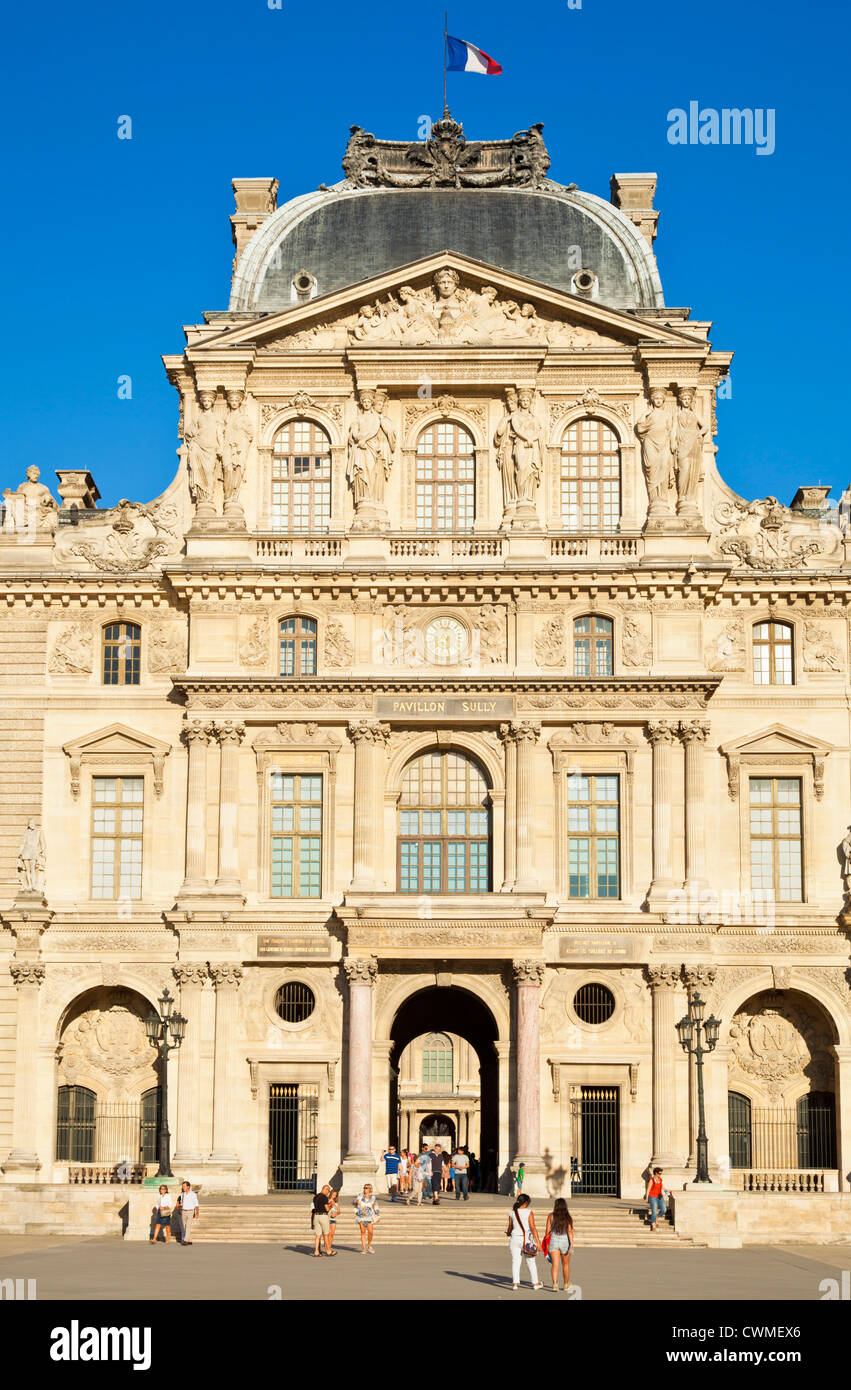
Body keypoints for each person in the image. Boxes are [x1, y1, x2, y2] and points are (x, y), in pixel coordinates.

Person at [506, 1194, 543, 1290]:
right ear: (526, 1203)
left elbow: (510, 1226)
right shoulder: (529, 1212)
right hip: (526, 1239)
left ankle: (515, 1284)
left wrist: (509, 1232)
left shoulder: (512, 1212)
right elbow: (533, 1227)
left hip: (514, 1239)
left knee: (516, 1261)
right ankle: (535, 1283)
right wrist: (538, 1242)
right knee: (530, 1261)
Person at [544, 1198, 574, 1291]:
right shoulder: (568, 1217)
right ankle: (566, 1284)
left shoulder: (551, 1216)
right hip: (565, 1241)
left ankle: (555, 1285)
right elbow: (570, 1232)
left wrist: (546, 1244)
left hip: (554, 1239)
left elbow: (547, 1232)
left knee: (555, 1265)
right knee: (565, 1264)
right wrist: (571, 1245)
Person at [353, 1184, 380, 1253]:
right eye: (364, 1188)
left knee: (370, 1232)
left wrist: (377, 1215)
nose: (365, 1189)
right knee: (363, 1232)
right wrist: (356, 1202)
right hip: (361, 1216)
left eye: (367, 1188)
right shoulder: (360, 1196)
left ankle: (369, 1245)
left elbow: (376, 1206)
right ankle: (364, 1248)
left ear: (370, 1189)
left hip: (369, 1217)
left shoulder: (373, 1197)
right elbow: (354, 1203)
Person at [312, 1184, 335, 1256]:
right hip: (323, 1216)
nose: (328, 1193)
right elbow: (327, 1209)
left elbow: (317, 1206)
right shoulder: (324, 1197)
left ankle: (316, 1252)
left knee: (318, 1235)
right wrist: (331, 1205)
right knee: (326, 1234)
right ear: (325, 1189)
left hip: (316, 1216)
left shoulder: (315, 1197)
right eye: (328, 1191)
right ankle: (328, 1251)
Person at [177, 1180, 199, 1246]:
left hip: (190, 1211)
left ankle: (185, 1240)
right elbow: (181, 1202)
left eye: (184, 1186)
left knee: (188, 1226)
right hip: (184, 1211)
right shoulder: (182, 1194)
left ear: (188, 1187)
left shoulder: (193, 1194)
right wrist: (181, 1205)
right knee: (184, 1226)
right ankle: (190, 1240)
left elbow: (196, 1204)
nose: (183, 1187)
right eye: (182, 1186)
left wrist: (197, 1213)